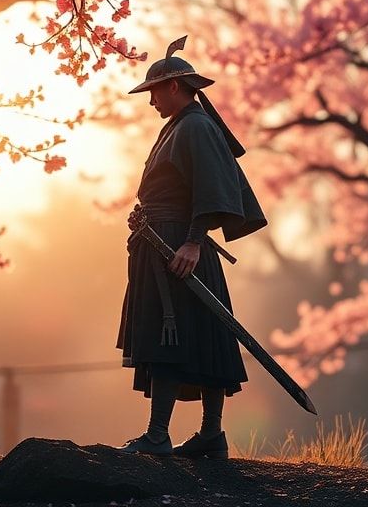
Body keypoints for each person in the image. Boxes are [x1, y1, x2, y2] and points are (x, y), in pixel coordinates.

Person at [116, 36, 267, 458]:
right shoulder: (181, 126)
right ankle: (209, 438)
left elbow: (210, 188)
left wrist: (194, 243)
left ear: (175, 87)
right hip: (163, 241)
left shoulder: (196, 126)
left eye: (155, 93)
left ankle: (164, 436)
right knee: (192, 332)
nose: (151, 103)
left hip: (180, 248)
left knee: (182, 332)